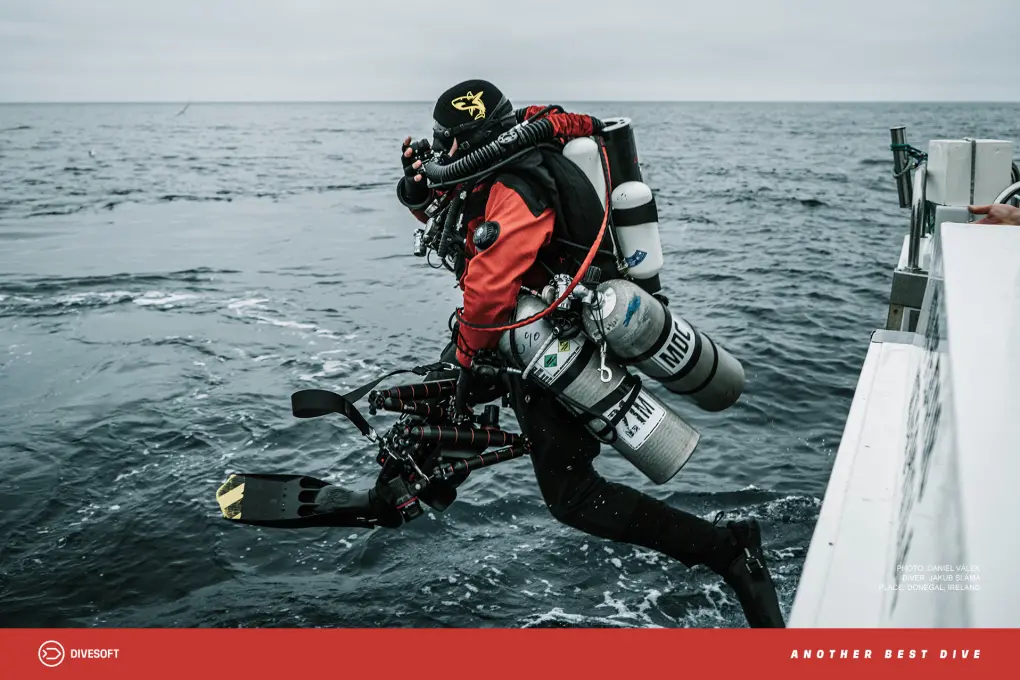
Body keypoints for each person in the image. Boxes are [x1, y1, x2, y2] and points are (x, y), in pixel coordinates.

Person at [394, 79, 786, 628]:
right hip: (524, 333)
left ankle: (730, 552)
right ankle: (406, 487)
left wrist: (465, 358)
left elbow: (487, 292)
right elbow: (457, 219)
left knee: (573, 496)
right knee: (445, 401)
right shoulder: (499, 170)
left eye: (447, 142)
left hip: (553, 343)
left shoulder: (517, 186)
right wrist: (416, 193)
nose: (442, 153)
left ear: (473, 141)